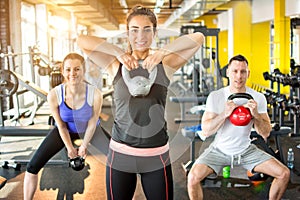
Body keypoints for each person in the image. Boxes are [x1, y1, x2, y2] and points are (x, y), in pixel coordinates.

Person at [77, 5, 204, 200]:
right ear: (128, 33)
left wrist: (163, 52)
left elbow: (198, 38)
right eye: (134, 30)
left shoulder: (166, 64)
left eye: (147, 29)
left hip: (156, 156)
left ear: (154, 32)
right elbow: (82, 40)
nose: (140, 36)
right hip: (120, 155)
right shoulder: (115, 65)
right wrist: (118, 52)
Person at [187, 54, 290, 200]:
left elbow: (266, 133)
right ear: (228, 72)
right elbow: (206, 130)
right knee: (193, 178)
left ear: (248, 73)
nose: (239, 76)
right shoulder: (216, 96)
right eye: (235, 71)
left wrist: (255, 114)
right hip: (219, 150)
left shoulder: (258, 97)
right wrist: (224, 114)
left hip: (246, 150)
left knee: (283, 174)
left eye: (243, 72)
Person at [23, 53, 103, 200]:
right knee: (32, 167)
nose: (72, 73)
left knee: (120, 162)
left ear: (83, 70)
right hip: (65, 130)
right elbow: (60, 125)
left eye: (77, 69)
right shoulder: (54, 94)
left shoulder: (95, 94)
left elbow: (92, 122)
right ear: (62, 71)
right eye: (68, 69)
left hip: (90, 129)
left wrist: (84, 146)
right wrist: (70, 148)